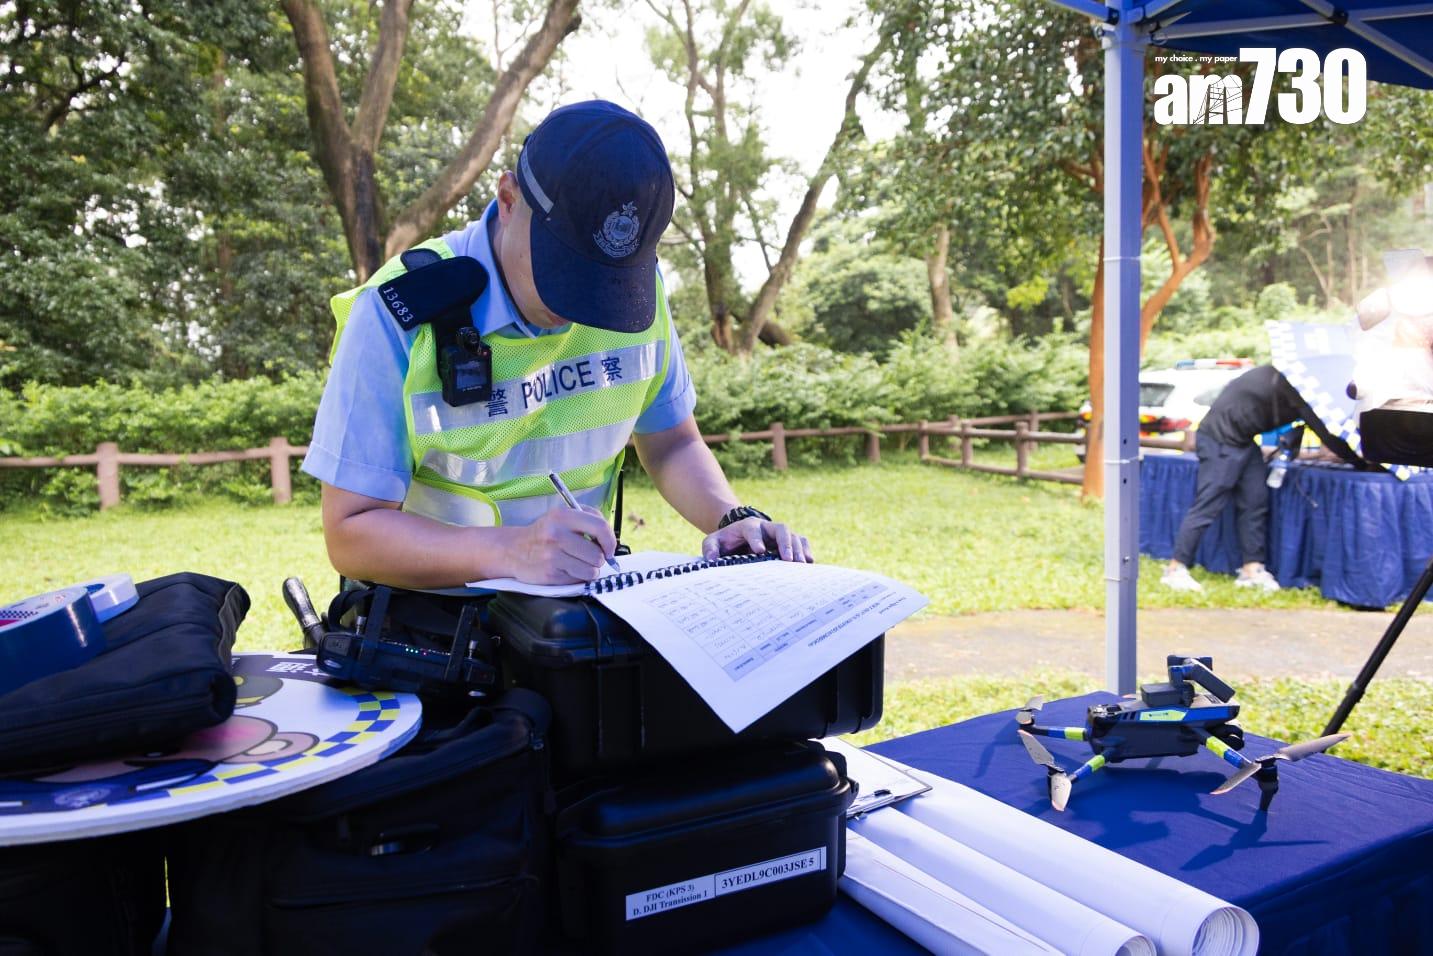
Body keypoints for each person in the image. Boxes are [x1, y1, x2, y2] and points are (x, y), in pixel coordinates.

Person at [301, 100, 811, 589]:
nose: (581, 306)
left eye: (607, 281)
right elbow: (351, 532)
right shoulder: (399, 312)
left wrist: (731, 516)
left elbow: (673, 442)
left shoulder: (637, 298)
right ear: (508, 199)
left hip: (575, 611)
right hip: (431, 622)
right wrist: (510, 552)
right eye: (564, 268)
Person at [1161, 363, 1353, 594]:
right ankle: (1175, 569)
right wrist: (1361, 460)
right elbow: (1324, 429)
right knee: (1209, 502)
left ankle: (1252, 569)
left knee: (1255, 500)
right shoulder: (1296, 384)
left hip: (1243, 440)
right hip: (1218, 438)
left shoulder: (1290, 377)